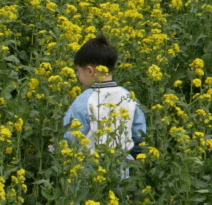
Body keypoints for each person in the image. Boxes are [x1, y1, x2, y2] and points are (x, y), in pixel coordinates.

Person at [58, 36, 146, 174]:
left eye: (78, 71)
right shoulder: (129, 97)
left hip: (88, 171)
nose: (78, 76)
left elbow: (70, 137)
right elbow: (139, 135)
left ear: (90, 71)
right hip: (121, 168)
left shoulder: (84, 100)